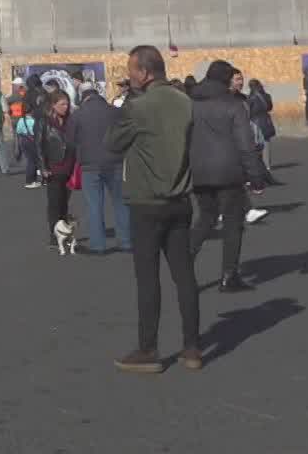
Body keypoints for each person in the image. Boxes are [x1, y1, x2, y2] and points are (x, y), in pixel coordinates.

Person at [106, 46, 201, 373]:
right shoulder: (185, 102)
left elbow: (112, 143)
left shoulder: (138, 107)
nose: (128, 75)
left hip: (146, 201)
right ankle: (192, 348)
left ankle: (148, 349)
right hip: (180, 199)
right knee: (184, 276)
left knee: (148, 278)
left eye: (131, 70)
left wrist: (126, 103)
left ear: (144, 73)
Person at [186, 60, 266, 290]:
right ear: (226, 79)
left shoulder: (190, 103)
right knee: (232, 222)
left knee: (206, 218)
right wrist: (256, 177)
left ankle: (184, 264)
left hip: (199, 170)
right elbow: (245, 145)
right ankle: (229, 275)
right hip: (228, 171)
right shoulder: (233, 105)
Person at [67, 82, 130, 255]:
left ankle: (98, 244)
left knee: (94, 204)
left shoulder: (77, 115)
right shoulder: (114, 111)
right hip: (116, 161)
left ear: (82, 96)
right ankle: (126, 241)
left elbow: (70, 141)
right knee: (121, 202)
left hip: (90, 164)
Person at [38, 90, 76, 247]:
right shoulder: (44, 122)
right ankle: (54, 235)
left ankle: (64, 233)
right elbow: (39, 146)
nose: (65, 107)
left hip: (69, 166)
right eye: (62, 104)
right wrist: (43, 167)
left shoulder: (71, 120)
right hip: (53, 167)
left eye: (67, 104)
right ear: (53, 105)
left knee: (64, 203)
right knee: (55, 203)